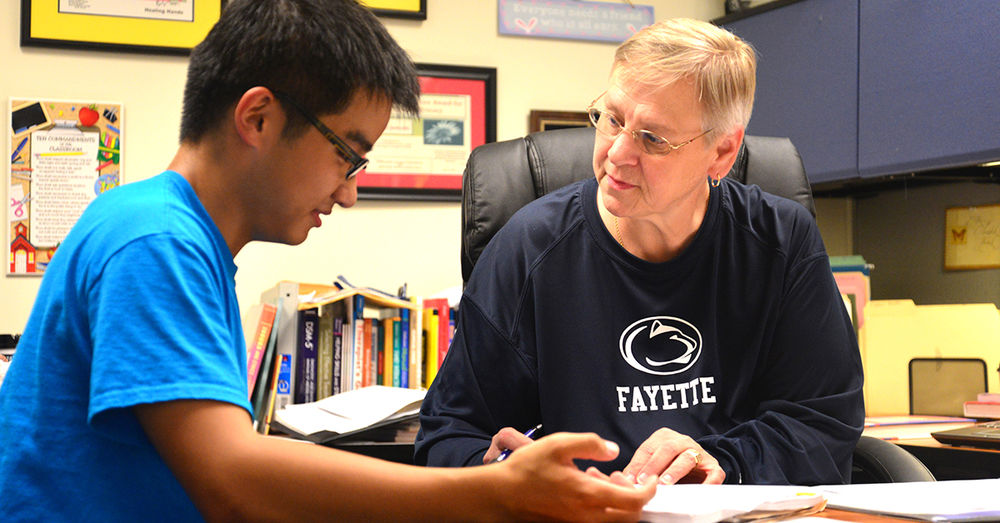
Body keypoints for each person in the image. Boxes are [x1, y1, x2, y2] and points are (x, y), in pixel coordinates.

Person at [0, 1, 657, 520]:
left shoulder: (168, 231)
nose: (349, 189)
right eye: (347, 152)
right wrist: (496, 493)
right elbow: (232, 481)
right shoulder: (155, 240)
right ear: (257, 117)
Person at [415, 18, 865, 486]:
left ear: (722, 154)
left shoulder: (780, 243)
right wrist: (509, 476)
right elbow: (448, 434)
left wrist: (724, 462)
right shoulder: (528, 250)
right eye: (612, 119)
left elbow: (823, 421)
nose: (617, 153)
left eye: (652, 138)